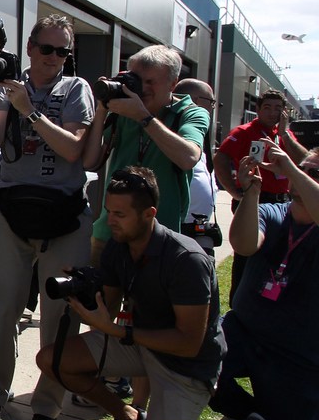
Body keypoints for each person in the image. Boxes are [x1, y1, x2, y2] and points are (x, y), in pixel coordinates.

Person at [36, 167, 270, 420]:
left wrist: (117, 331)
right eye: (108, 212)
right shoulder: (120, 245)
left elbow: (189, 342)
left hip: (186, 365)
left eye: (120, 214)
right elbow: (110, 304)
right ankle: (128, 418)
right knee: (52, 359)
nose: (110, 221)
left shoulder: (186, 259)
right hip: (142, 345)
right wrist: (85, 287)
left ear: (149, 214)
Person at [0, 14, 94, 420]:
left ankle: (47, 406)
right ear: (29, 48)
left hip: (64, 216)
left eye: (63, 51)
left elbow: (75, 148)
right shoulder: (10, 86)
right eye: (48, 49)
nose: (55, 58)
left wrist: (31, 111)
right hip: (14, 213)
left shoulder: (77, 89)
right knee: (0, 309)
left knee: (59, 316)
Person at [210, 144, 319, 420]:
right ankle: (244, 412)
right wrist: (252, 193)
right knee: (196, 360)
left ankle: (271, 415)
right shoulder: (274, 212)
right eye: (304, 168)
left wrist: (295, 172)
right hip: (243, 331)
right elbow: (244, 245)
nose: (303, 175)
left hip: (296, 353)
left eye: (315, 172)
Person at [82, 46, 208, 265]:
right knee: (94, 298)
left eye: (151, 82)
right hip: (110, 229)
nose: (143, 88)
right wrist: (102, 110)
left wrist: (143, 116)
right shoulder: (123, 111)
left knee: (147, 300)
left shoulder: (190, 113)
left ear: (173, 83)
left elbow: (188, 158)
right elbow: (90, 161)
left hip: (159, 234)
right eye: (137, 80)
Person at [212, 90, 309, 302]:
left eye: (278, 109)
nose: (272, 113)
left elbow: (306, 161)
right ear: (258, 110)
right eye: (267, 107)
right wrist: (233, 191)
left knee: (276, 254)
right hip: (255, 197)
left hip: (282, 202)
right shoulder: (245, 132)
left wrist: (284, 134)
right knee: (246, 257)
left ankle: (267, 298)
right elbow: (220, 158)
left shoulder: (285, 135)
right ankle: (239, 301)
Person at [173, 79, 220, 255]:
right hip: (178, 229)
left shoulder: (198, 134)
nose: (213, 108)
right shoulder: (174, 132)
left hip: (200, 229)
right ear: (194, 100)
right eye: (211, 102)